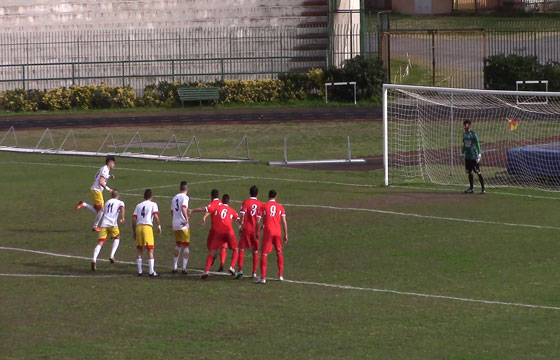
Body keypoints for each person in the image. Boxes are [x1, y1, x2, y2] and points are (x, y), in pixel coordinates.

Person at [200, 194, 240, 279]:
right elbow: (239, 219)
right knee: (236, 249)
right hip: (229, 232)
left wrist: (193, 211)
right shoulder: (231, 210)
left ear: (221, 201)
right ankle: (231, 267)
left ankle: (206, 271)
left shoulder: (217, 208)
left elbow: (206, 209)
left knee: (212, 252)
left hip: (218, 233)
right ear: (229, 202)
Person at [189, 189, 227, 272]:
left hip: (215, 229)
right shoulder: (221, 203)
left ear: (211, 196)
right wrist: (205, 217)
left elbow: (205, 209)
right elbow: (210, 210)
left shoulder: (213, 204)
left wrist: (193, 210)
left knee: (210, 245)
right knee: (223, 247)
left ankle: (212, 258)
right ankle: (222, 263)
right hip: (225, 228)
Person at [76, 155, 116, 231]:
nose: (114, 165)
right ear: (110, 163)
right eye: (113, 163)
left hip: (95, 190)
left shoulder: (103, 168)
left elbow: (97, 176)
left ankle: (83, 204)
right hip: (97, 190)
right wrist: (109, 189)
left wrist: (109, 176)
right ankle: (95, 226)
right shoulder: (105, 169)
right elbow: (101, 182)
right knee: (102, 210)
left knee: (98, 211)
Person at [257, 189, 288, 284]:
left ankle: (263, 277)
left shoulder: (264, 206)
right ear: (276, 196)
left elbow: (258, 221)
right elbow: (284, 222)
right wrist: (286, 234)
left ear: (268, 196)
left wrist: (257, 231)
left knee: (264, 254)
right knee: (279, 252)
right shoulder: (280, 207)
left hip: (268, 232)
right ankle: (281, 275)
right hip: (278, 232)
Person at [91, 189, 125, 271]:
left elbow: (102, 210)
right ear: (118, 196)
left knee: (100, 242)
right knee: (117, 238)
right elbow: (122, 208)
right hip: (113, 224)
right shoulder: (120, 202)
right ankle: (112, 255)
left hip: (104, 224)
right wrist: (123, 217)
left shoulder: (107, 202)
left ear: (111, 195)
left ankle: (94, 259)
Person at [132, 189, 162, 277]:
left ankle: (140, 271)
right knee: (150, 249)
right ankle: (151, 272)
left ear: (144, 197)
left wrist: (134, 231)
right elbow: (156, 216)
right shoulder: (153, 204)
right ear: (151, 197)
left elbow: (134, 219)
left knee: (139, 249)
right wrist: (159, 226)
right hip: (147, 227)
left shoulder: (138, 205)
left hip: (138, 227)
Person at [235, 185, 263, 279]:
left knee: (241, 248)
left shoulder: (245, 202)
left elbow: (242, 215)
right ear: (257, 194)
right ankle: (254, 272)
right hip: (255, 230)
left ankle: (240, 270)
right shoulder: (260, 204)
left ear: (249, 193)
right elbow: (259, 219)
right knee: (255, 250)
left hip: (246, 229)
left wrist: (240, 226)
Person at [170, 181, 190, 274]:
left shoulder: (174, 198)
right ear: (187, 189)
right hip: (183, 224)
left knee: (178, 245)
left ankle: (174, 267)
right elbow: (183, 207)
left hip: (175, 223)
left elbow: (171, 212)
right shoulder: (185, 197)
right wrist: (186, 218)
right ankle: (184, 268)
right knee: (186, 246)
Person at [462, 119, 486, 194]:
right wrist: (462, 152)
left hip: (473, 156)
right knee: (469, 172)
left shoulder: (473, 134)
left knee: (478, 171)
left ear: (469, 125)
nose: (465, 126)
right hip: (467, 157)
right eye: (464, 124)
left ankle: (483, 188)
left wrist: (479, 153)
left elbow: (478, 144)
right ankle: (471, 188)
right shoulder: (464, 134)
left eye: (466, 124)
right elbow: (465, 145)